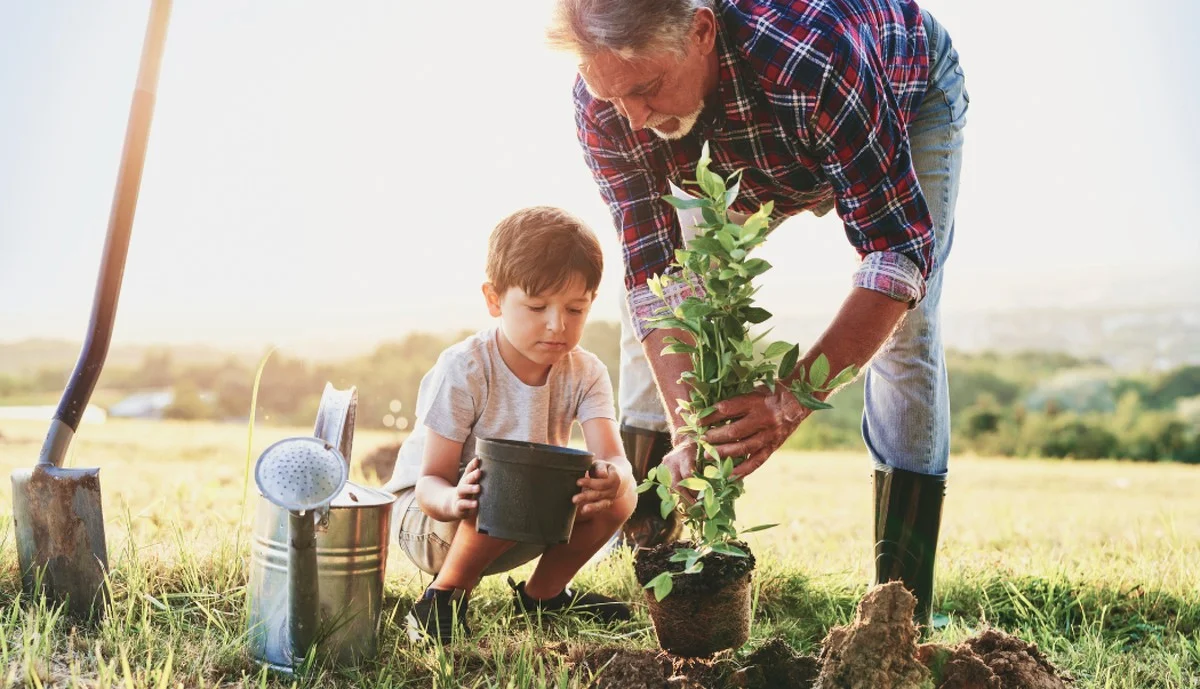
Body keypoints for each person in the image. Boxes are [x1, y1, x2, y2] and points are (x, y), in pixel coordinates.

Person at [549, 0, 968, 628]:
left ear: (701, 30)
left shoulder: (814, 57)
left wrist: (790, 398)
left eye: (645, 89)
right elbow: (653, 279)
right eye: (613, 98)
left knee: (909, 330)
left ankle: (900, 608)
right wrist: (692, 428)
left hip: (899, 96)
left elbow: (897, 253)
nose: (632, 120)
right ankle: (648, 551)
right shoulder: (608, 106)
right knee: (670, 307)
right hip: (739, 141)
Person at [383, 206, 638, 644]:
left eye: (575, 309)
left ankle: (543, 596)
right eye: (537, 306)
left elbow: (615, 457)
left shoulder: (587, 371)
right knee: (509, 476)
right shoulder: (465, 368)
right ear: (494, 299)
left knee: (623, 489)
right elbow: (428, 483)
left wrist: (614, 478)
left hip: (523, 516)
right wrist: (455, 499)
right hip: (434, 522)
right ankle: (442, 601)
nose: (557, 325)